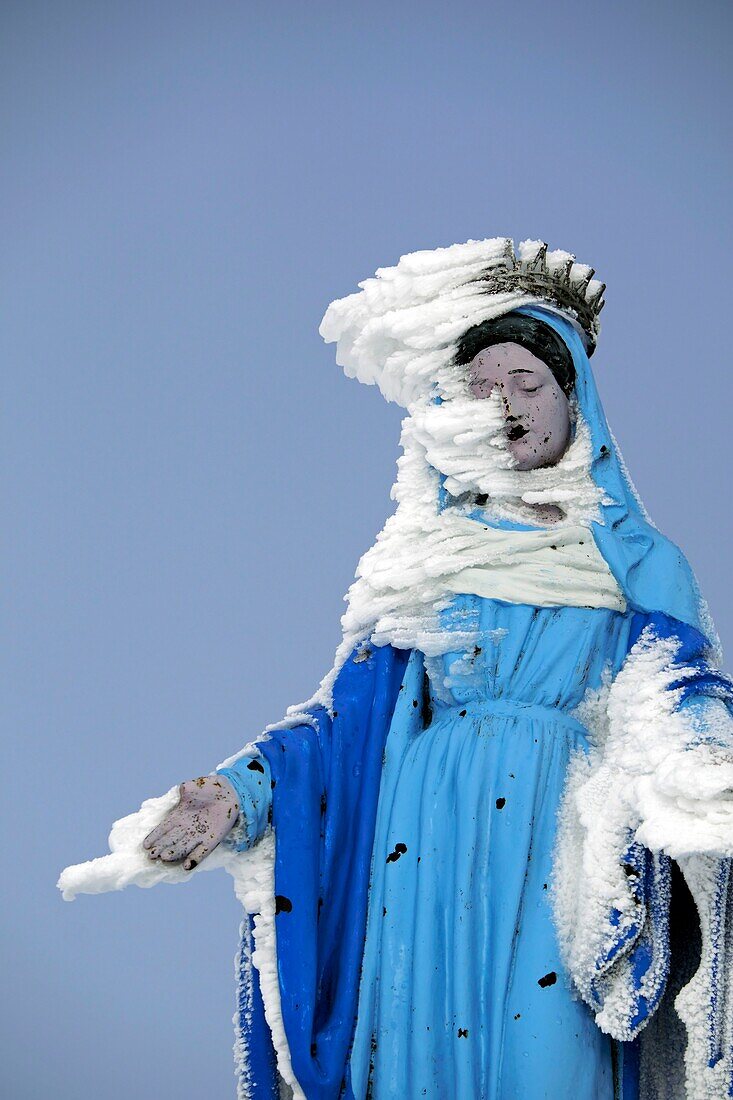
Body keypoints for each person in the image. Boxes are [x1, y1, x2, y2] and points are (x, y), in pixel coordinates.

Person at [61, 239, 733, 1100]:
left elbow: (671, 691)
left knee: (547, 1060)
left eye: (529, 384)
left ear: (575, 405)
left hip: (551, 831)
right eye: (483, 389)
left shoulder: (636, 560)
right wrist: (238, 791)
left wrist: (702, 768)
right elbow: (340, 721)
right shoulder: (428, 563)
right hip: (419, 837)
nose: (508, 405)